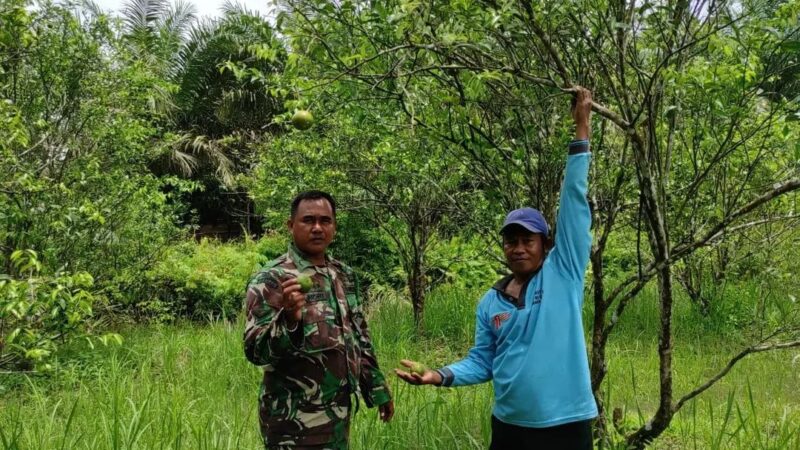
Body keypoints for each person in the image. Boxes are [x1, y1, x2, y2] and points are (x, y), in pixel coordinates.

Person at [395, 87, 598, 449]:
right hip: (509, 426)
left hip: (566, 424)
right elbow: (483, 361)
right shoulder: (491, 302)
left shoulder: (563, 273)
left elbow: (574, 204)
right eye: (511, 241)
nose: (518, 248)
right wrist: (439, 375)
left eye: (528, 240)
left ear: (546, 245)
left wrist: (581, 131)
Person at [244, 191, 394, 450]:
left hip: (338, 415)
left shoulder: (343, 275)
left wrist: (377, 388)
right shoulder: (272, 279)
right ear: (291, 225)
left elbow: (358, 336)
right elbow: (255, 352)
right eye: (308, 220)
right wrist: (289, 319)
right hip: (293, 421)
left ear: (334, 226)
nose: (317, 228)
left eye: (325, 221)